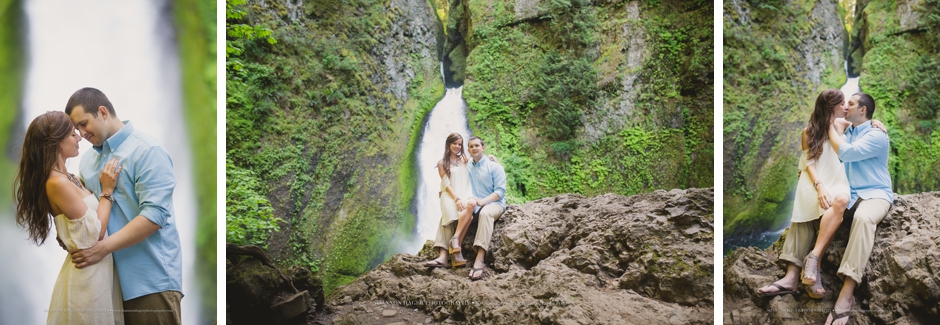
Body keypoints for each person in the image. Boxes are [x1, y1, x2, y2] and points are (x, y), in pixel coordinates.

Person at [65, 87, 184, 324]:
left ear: (102, 111)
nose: (81, 133)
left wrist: (102, 249)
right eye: (76, 128)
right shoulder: (87, 162)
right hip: (104, 283)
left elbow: (155, 216)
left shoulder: (147, 150)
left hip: (149, 281)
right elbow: (88, 215)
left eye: (84, 123)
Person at [14, 111, 124, 324]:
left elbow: (80, 227)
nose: (79, 137)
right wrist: (107, 190)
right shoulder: (57, 183)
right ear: (56, 141)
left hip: (98, 271)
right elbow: (96, 232)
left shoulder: (70, 178)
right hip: (87, 280)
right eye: (72, 134)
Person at [757, 89, 851, 298]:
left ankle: (811, 265)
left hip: (837, 180)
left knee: (838, 201)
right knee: (805, 209)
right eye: (842, 103)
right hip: (815, 179)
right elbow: (808, 162)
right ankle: (794, 276)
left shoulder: (842, 125)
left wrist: (876, 124)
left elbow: (864, 124)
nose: (846, 107)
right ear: (831, 106)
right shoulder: (808, 131)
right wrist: (819, 185)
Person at [824, 92, 893, 325]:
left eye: (850, 104)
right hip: (849, 195)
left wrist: (830, 128)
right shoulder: (848, 130)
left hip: (875, 194)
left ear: (862, 110)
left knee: (863, 219)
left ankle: (847, 292)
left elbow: (847, 153)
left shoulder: (877, 135)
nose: (845, 108)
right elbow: (828, 118)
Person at [425, 133, 474, 268]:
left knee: (466, 214)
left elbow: (478, 163)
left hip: (464, 193)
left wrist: (490, 158)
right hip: (449, 194)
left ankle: (447, 254)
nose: (457, 146)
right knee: (449, 215)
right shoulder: (442, 163)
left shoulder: (464, 158)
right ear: (448, 144)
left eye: (459, 144)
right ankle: (453, 253)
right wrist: (456, 198)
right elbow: (446, 183)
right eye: (455, 143)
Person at [464, 136, 507, 281]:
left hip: (494, 204)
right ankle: (448, 252)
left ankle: (480, 258)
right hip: (475, 204)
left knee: (486, 213)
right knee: (456, 214)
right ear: (468, 150)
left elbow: (500, 192)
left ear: (483, 147)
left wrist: (482, 202)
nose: (474, 148)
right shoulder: (468, 165)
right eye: (471, 146)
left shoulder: (495, 166)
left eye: (477, 145)